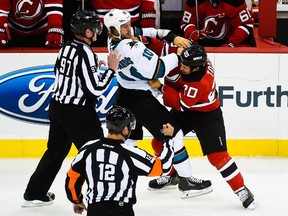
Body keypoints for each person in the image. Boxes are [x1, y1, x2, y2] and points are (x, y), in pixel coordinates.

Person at [103, 8, 213, 198]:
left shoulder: (113, 39)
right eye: (124, 26)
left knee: (129, 140)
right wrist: (180, 55)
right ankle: (186, 181)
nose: (129, 29)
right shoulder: (130, 48)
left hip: (125, 95)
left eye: (128, 24)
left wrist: (171, 36)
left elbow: (144, 32)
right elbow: (158, 69)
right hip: (140, 99)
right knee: (174, 133)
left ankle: (118, 177)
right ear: (114, 29)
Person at [22, 10, 119, 208]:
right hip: (77, 112)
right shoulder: (86, 53)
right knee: (96, 151)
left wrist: (94, 68)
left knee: (55, 151)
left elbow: (62, 72)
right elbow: (95, 89)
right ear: (88, 32)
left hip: (58, 107)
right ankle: (103, 197)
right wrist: (110, 70)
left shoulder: (66, 47)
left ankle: (34, 192)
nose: (98, 30)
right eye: (95, 27)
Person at [149, 44, 258, 209]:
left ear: (196, 68)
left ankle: (241, 189)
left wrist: (160, 87)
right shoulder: (192, 60)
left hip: (206, 115)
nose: (181, 66)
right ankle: (172, 176)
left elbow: (181, 103)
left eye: (185, 66)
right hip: (184, 112)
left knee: (218, 157)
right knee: (158, 142)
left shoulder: (201, 82)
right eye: (182, 62)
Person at [65, 105, 174, 216]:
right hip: (121, 210)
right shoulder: (131, 153)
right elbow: (164, 167)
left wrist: (76, 200)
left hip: (95, 210)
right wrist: (168, 139)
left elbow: (72, 178)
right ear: (125, 129)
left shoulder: (87, 148)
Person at [180, 0, 256, 47]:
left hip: (232, 41)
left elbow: (246, 25)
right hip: (204, 41)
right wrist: (194, 40)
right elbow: (186, 23)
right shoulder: (194, 2)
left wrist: (230, 44)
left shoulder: (235, 2)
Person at [0, 0, 64, 48]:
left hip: (41, 32)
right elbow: (2, 6)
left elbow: (53, 4)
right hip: (12, 33)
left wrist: (55, 27)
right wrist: (1, 28)